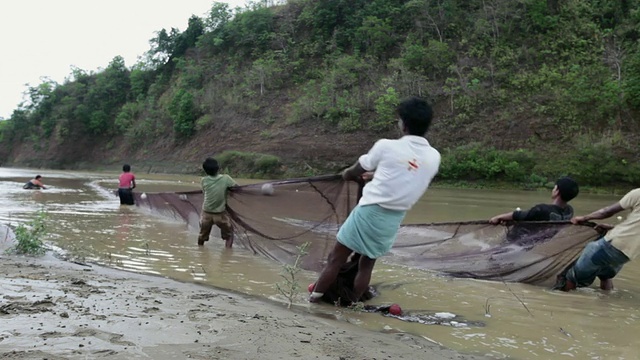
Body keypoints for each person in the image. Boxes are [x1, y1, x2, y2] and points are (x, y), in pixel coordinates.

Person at [309, 96, 441, 304]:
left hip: (369, 211)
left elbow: (358, 168)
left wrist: (347, 174)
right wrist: (375, 177)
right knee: (366, 264)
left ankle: (313, 301)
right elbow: (406, 175)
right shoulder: (434, 156)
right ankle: (354, 304)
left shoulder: (386, 146)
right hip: (393, 219)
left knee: (336, 258)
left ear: (403, 124)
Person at [554, 188, 640, 291]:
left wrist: (584, 218)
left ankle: (567, 302)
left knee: (571, 276)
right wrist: (613, 228)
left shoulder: (638, 194)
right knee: (605, 275)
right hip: (625, 256)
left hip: (611, 245)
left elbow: (607, 212)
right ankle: (606, 300)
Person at [489, 177, 580, 224]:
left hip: (516, 240)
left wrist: (498, 217)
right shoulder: (569, 212)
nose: (552, 190)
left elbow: (518, 215)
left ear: (557, 192)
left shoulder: (542, 209)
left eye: (554, 188)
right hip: (534, 242)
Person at [198, 157, 238, 248]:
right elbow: (237, 188)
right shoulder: (226, 178)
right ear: (218, 168)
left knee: (202, 236)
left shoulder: (203, 180)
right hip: (220, 214)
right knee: (229, 235)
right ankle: (227, 255)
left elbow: (205, 193)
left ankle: (200, 251)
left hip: (206, 213)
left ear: (205, 171)